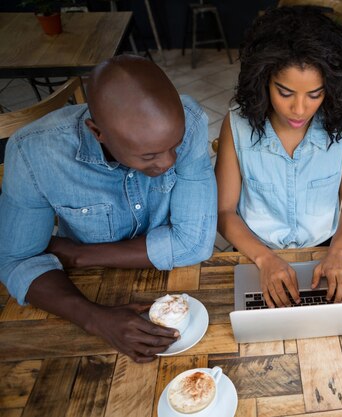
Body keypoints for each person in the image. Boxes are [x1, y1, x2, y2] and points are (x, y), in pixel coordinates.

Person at [0, 56, 218, 362]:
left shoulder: (191, 121)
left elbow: (194, 243)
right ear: (97, 132)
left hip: (174, 284)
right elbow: (16, 261)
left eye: (175, 144)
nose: (169, 162)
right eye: (150, 154)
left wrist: (79, 254)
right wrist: (95, 318)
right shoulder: (34, 152)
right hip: (81, 291)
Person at [215, 6, 342, 308]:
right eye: (285, 93)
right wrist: (265, 259)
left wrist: (338, 252)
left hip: (326, 251)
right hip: (254, 252)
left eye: (314, 95)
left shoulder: (340, 124)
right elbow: (224, 213)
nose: (300, 109)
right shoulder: (237, 125)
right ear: (264, 79)